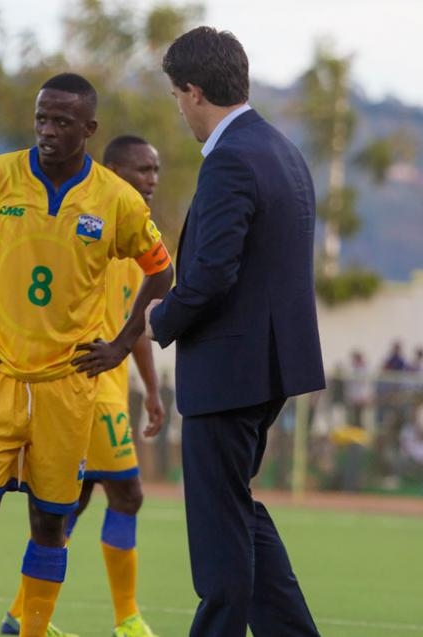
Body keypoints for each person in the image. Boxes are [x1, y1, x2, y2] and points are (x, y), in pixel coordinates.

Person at [0, 73, 174, 637]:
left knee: (51, 522)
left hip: (68, 387)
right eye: (42, 119)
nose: (48, 131)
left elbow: (162, 270)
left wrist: (125, 340)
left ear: (89, 128)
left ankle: (32, 629)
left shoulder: (115, 199)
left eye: (62, 122)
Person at [145, 27, 325, 637]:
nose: (179, 108)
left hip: (229, 373)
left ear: (194, 92)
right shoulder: (281, 149)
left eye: (176, 95)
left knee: (220, 543)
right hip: (267, 369)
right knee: (239, 517)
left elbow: (211, 276)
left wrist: (156, 321)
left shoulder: (230, 159)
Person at [0, 134, 165, 637]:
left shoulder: (137, 237)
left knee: (77, 500)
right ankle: (127, 619)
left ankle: (20, 617)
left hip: (109, 387)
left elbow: (131, 325)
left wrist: (152, 391)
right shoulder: (92, 230)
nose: (152, 180)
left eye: (156, 171)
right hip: (85, 387)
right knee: (127, 494)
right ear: (112, 170)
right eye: (143, 170)